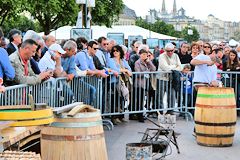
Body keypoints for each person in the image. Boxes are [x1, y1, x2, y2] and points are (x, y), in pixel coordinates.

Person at [108, 45, 132, 124]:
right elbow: (114, 69)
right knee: (115, 98)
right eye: (114, 51)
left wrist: (125, 70)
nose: (115, 52)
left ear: (120, 52)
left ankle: (120, 116)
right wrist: (125, 70)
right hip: (114, 81)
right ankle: (114, 117)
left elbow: (129, 69)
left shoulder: (123, 60)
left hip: (123, 81)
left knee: (122, 98)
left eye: (117, 51)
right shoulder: (111, 59)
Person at [157, 43, 182, 113]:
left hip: (172, 78)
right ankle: (160, 111)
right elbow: (165, 67)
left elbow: (180, 67)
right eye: (168, 51)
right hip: (162, 78)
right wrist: (174, 67)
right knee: (160, 95)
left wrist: (172, 67)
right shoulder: (162, 56)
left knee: (172, 95)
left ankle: (170, 110)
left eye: (171, 50)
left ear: (174, 50)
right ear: (165, 50)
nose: (170, 52)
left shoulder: (176, 56)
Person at [134, 49, 156, 122]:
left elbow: (153, 69)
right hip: (139, 84)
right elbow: (138, 73)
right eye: (142, 54)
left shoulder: (147, 62)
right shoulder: (137, 63)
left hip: (147, 82)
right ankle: (139, 116)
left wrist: (149, 62)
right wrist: (146, 72)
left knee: (146, 98)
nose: (144, 56)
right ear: (139, 55)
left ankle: (143, 113)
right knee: (140, 100)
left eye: (145, 54)